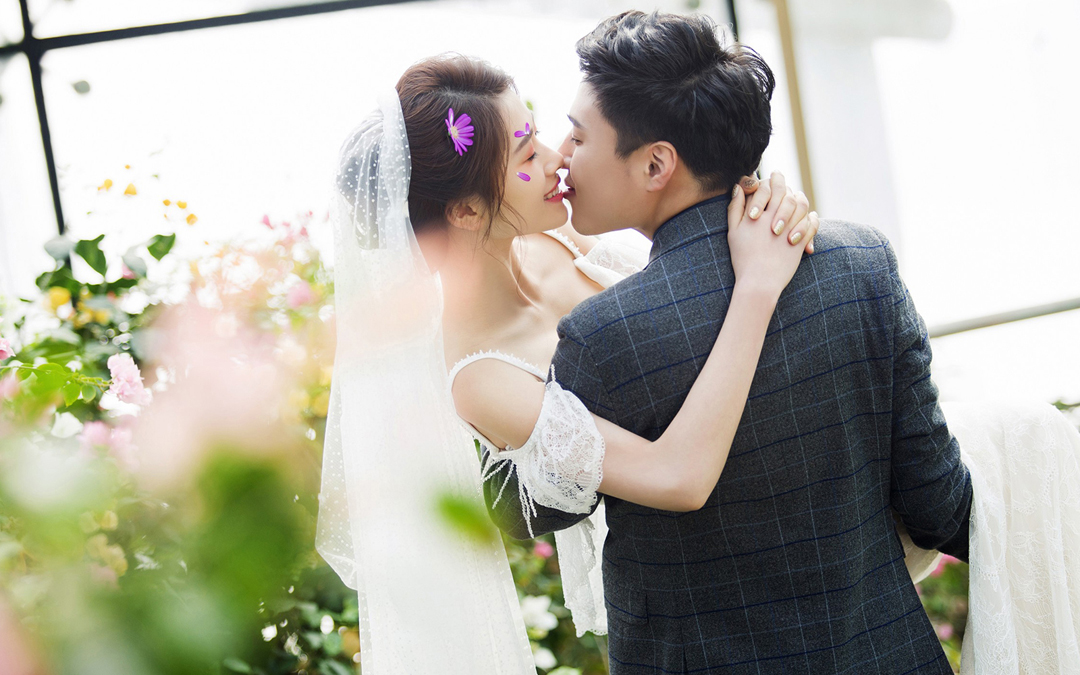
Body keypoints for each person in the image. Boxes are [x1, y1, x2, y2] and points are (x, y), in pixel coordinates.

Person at [480, 10, 1080, 675]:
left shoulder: (602, 335)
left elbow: (522, 508)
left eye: (579, 134)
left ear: (656, 164)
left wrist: (479, 332)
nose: (562, 154)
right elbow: (939, 507)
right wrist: (1027, 459)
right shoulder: (862, 264)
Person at [315, 53, 820, 671]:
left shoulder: (558, 235)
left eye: (537, 133)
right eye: (527, 155)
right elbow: (676, 478)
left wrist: (764, 205)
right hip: (690, 606)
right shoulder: (482, 377)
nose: (559, 158)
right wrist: (758, 288)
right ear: (466, 211)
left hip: (783, 508)